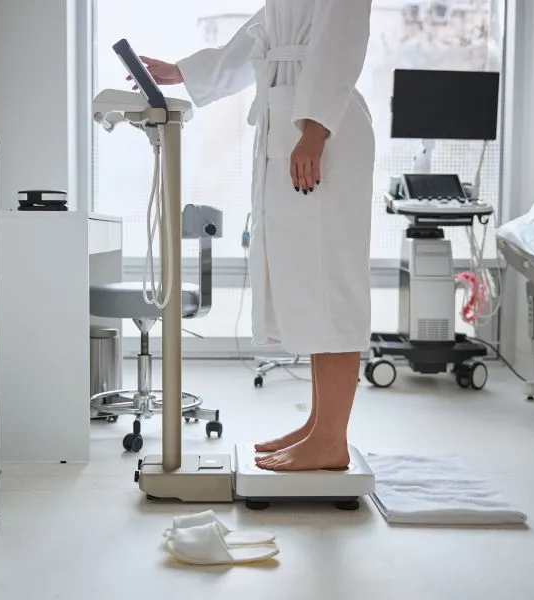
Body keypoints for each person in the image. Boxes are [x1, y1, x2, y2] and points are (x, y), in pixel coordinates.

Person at [136, 1, 374, 472]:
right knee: (309, 283)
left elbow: (342, 39)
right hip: (293, 122)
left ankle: (331, 439)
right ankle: (319, 426)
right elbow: (256, 37)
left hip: (322, 132)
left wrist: (315, 129)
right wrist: (184, 71)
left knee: (331, 285)